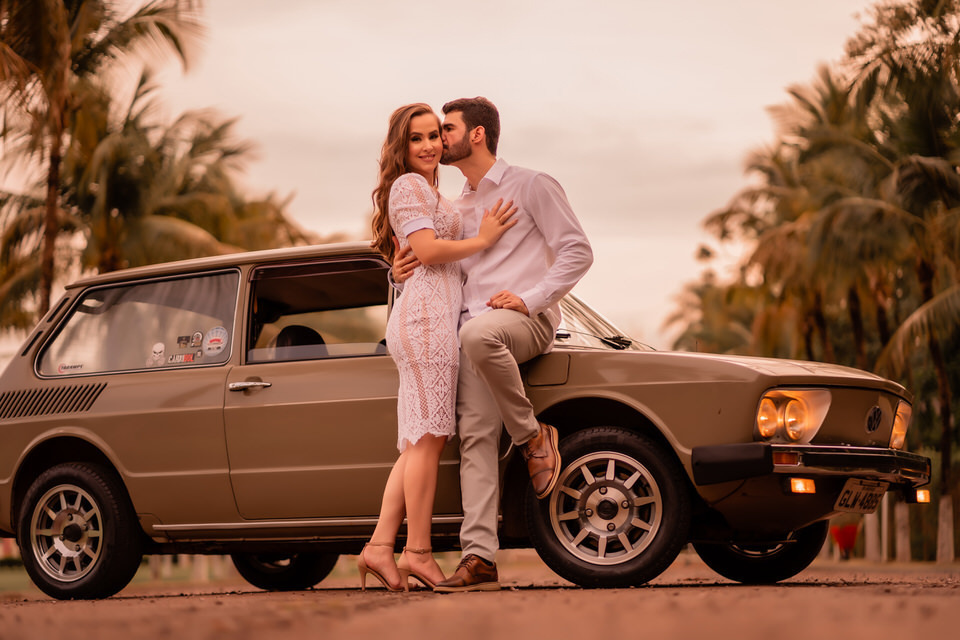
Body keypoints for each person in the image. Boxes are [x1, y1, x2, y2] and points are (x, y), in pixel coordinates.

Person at [394, 97, 593, 592]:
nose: (438, 140)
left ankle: (530, 437)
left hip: (524, 321)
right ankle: (479, 556)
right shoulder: (457, 207)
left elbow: (577, 250)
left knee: (479, 333)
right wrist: (400, 276)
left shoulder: (532, 185)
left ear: (476, 134)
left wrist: (530, 300)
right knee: (476, 438)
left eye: (447, 130)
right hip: (472, 333)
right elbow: (445, 271)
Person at [359, 103, 517, 592]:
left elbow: (418, 258)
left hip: (427, 316)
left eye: (433, 136)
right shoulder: (408, 186)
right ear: (401, 148)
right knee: (428, 441)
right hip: (427, 324)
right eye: (417, 139)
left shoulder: (428, 190)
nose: (428, 146)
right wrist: (484, 239)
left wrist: (398, 274)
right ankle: (419, 553)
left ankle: (380, 548)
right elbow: (427, 252)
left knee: (416, 443)